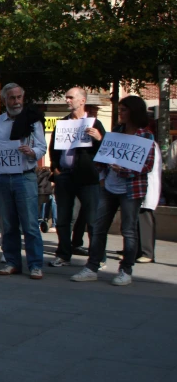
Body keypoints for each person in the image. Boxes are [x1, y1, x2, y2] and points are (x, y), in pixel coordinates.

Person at [72, 95, 155, 286]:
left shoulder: (145, 136)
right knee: (99, 227)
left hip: (131, 189)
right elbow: (102, 158)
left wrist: (124, 170)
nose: (120, 113)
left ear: (134, 112)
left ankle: (126, 270)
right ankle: (92, 267)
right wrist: (102, 177)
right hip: (109, 187)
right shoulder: (116, 132)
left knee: (128, 230)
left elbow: (147, 165)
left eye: (124, 110)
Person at [0, 83, 47, 279]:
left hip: (25, 177)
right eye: (12, 98)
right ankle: (12, 262)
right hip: (2, 178)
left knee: (30, 224)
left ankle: (35, 264)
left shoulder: (32, 121)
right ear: (5, 101)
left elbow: (41, 147)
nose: (16, 101)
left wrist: (32, 152)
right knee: (8, 224)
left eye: (19, 97)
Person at [48, 87, 105, 267]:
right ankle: (64, 254)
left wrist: (99, 138)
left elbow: (105, 151)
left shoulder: (94, 123)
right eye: (66, 97)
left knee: (93, 219)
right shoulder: (62, 123)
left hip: (87, 178)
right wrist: (55, 168)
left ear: (82, 100)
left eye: (71, 97)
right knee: (63, 219)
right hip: (65, 177)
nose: (67, 100)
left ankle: (97, 257)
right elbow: (54, 149)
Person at [137, 146, 161, 263]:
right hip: (137, 189)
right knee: (135, 222)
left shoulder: (150, 144)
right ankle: (136, 251)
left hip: (146, 187)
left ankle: (147, 252)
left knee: (145, 219)